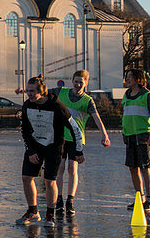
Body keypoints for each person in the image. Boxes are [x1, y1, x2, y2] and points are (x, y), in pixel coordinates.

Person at [17, 76, 83, 226]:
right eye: (28, 91)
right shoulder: (27, 105)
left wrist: (78, 150)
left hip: (54, 146)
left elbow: (74, 128)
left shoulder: (56, 106)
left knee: (49, 181)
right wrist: (30, 151)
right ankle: (33, 212)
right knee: (27, 178)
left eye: (33, 91)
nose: (30, 94)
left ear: (42, 91)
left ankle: (49, 215)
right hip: (35, 147)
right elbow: (25, 130)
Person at [54, 70, 111, 216]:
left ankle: (70, 201)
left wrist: (104, 135)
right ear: (72, 81)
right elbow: (42, 93)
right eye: (76, 81)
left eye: (81, 82)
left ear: (86, 83)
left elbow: (97, 118)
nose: (78, 84)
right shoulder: (62, 92)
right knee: (59, 168)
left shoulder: (87, 100)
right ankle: (59, 200)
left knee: (72, 169)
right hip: (60, 137)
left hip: (76, 138)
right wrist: (23, 90)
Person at [122, 69, 150, 212]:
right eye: (126, 77)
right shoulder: (126, 94)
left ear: (138, 79)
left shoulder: (147, 95)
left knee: (145, 168)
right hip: (129, 136)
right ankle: (140, 198)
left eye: (130, 77)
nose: (127, 79)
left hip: (143, 135)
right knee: (133, 168)